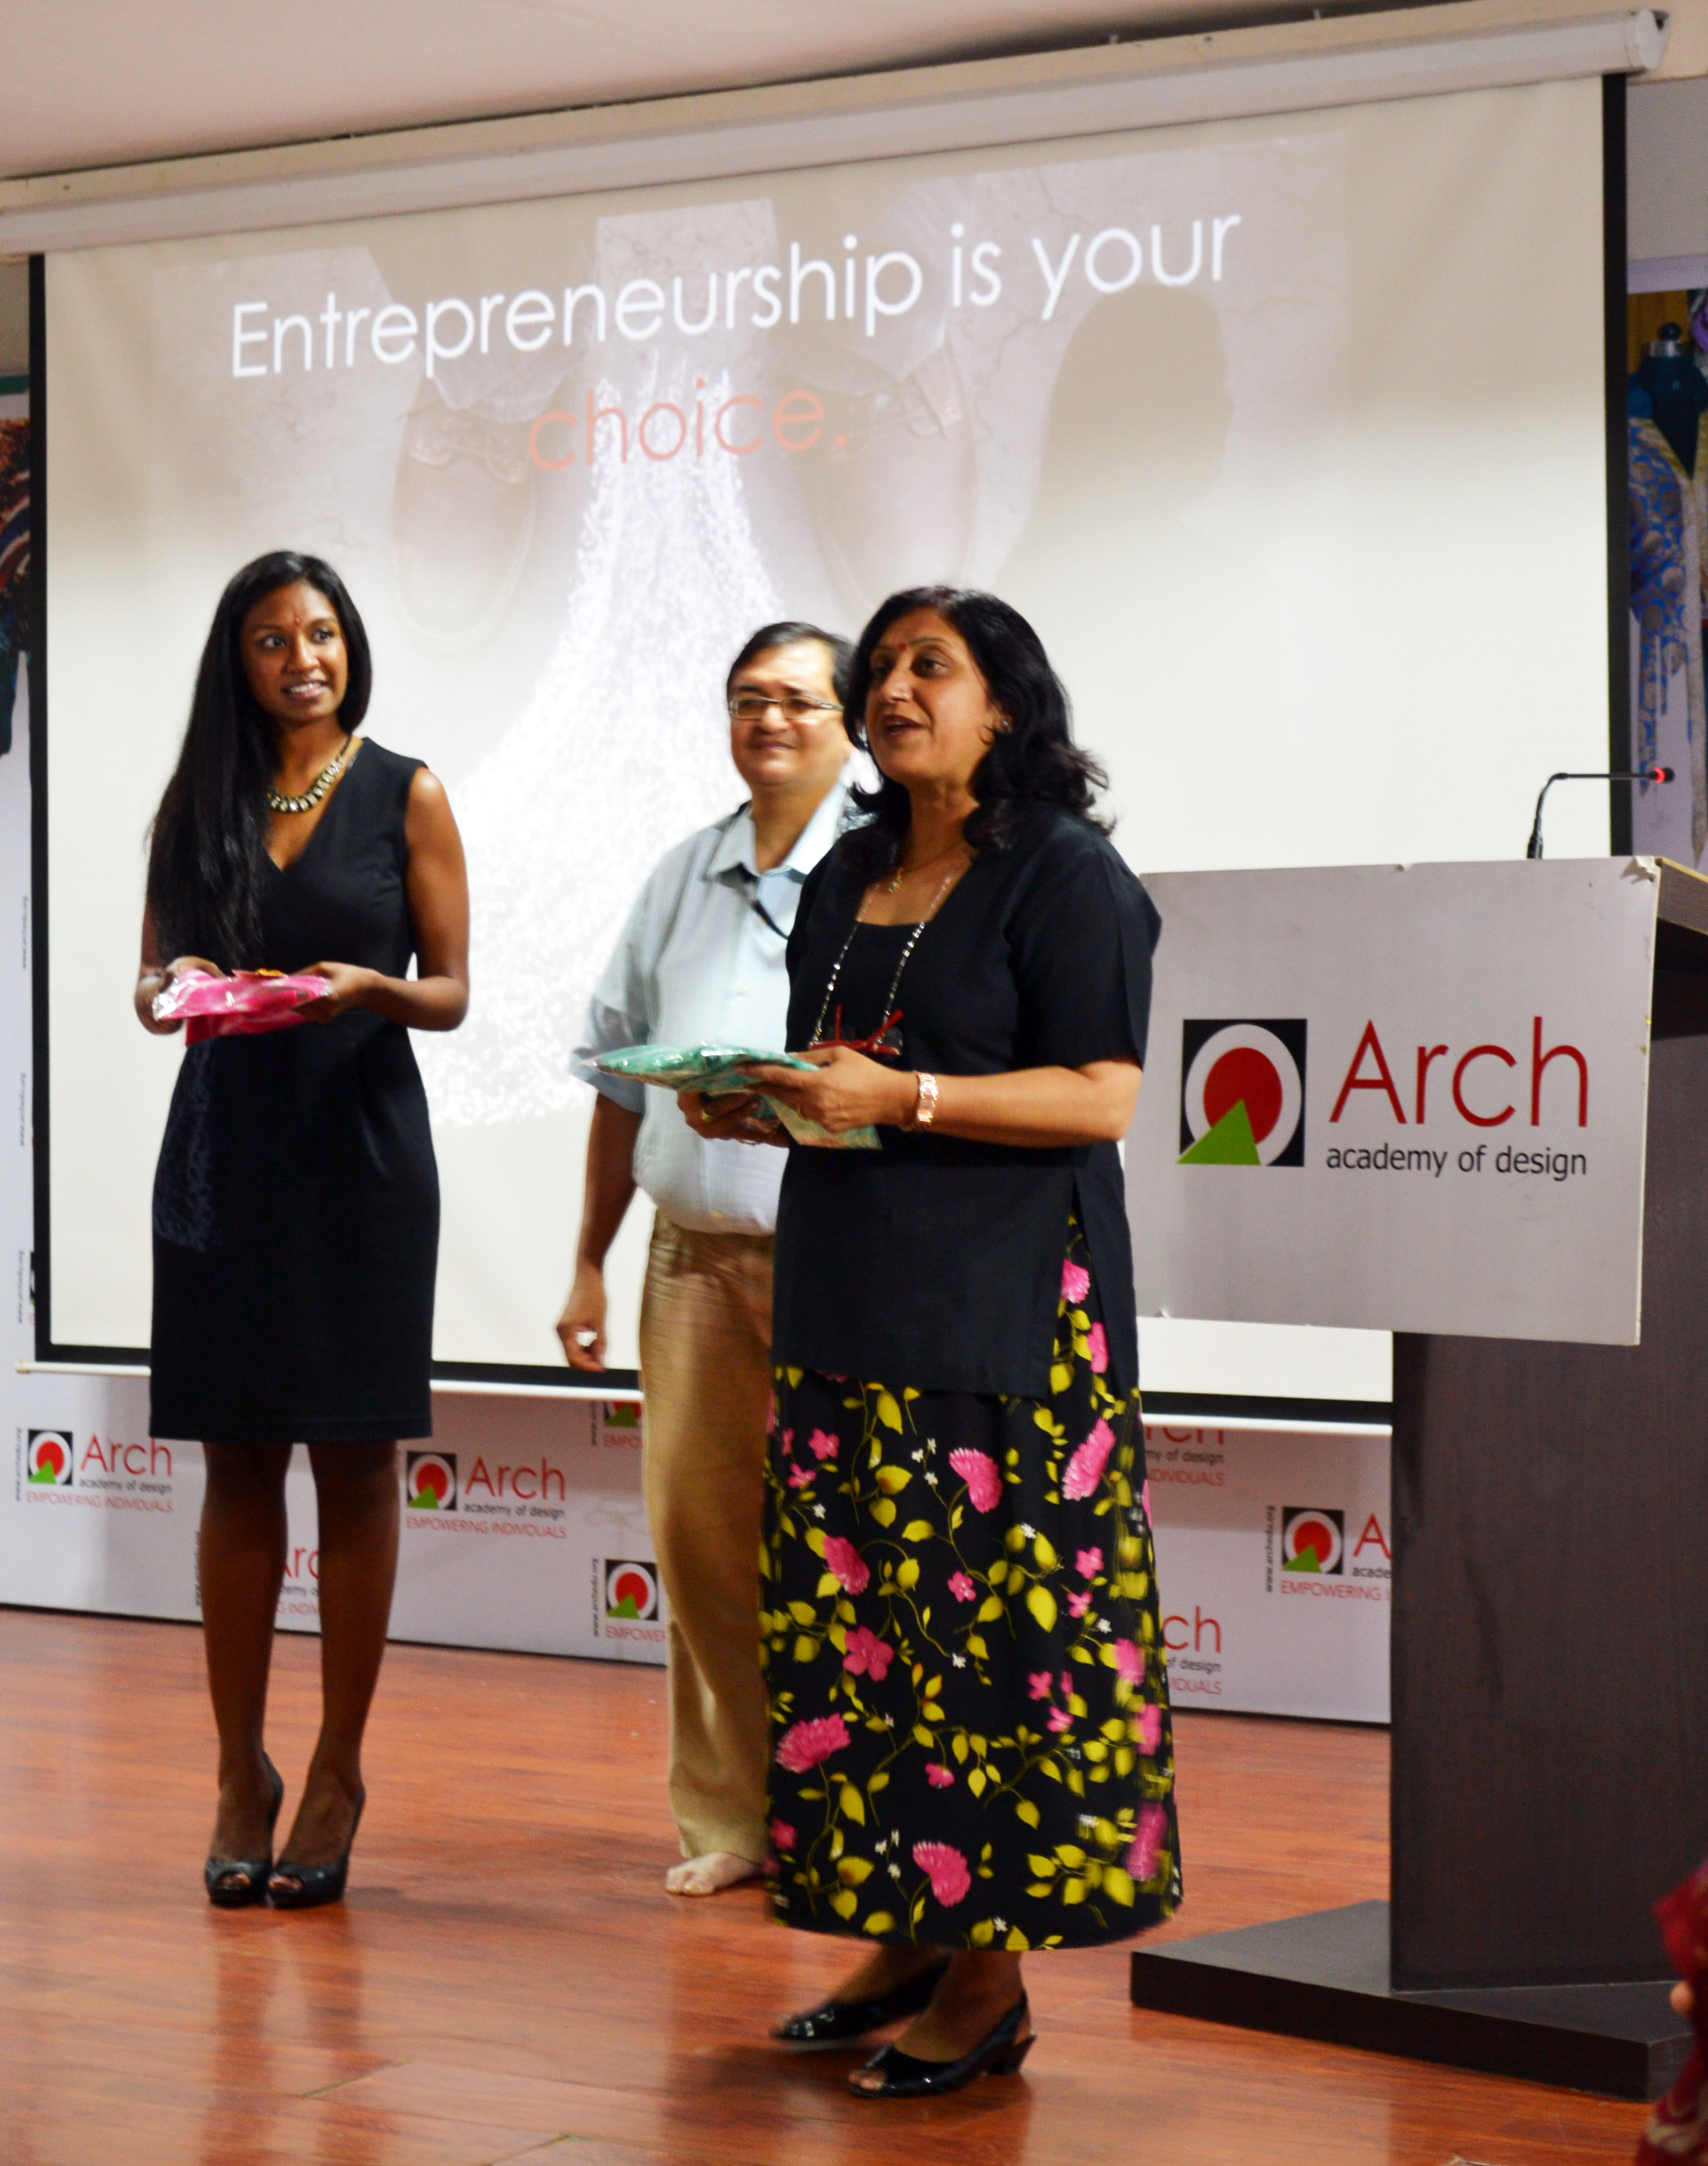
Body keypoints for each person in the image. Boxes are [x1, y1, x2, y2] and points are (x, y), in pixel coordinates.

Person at [693, 585, 1180, 2097]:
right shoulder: (848, 870)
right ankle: (904, 1934)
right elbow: (839, 1077)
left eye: (931, 667)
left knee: (984, 1657)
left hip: (1003, 1322)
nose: (893, 689)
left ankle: (989, 1983)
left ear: (1005, 704)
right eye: (883, 669)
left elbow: (1102, 1094)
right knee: (864, 1644)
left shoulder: (1068, 873)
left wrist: (900, 1100)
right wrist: (761, 1101)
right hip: (848, 1303)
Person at [137, 550, 469, 1910]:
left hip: (361, 1156)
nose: (303, 659)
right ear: (240, 658)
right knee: (235, 1464)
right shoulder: (196, 800)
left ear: (351, 646)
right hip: (224, 1158)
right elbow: (150, 984)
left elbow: (451, 991)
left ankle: (336, 1769)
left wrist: (367, 988)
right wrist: (179, 982)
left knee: (354, 1462)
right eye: (274, 638)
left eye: (322, 633)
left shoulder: (407, 790)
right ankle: (239, 1770)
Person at [561, 620, 854, 1897]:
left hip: (841, 1262)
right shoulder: (683, 872)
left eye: (796, 698)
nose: (768, 719)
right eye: (747, 698)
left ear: (849, 723)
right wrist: (588, 1259)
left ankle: (849, 1818)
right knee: (698, 1543)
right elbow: (616, 1079)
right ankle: (735, 1816)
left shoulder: (882, 868)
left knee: (845, 1545)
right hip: (686, 1261)